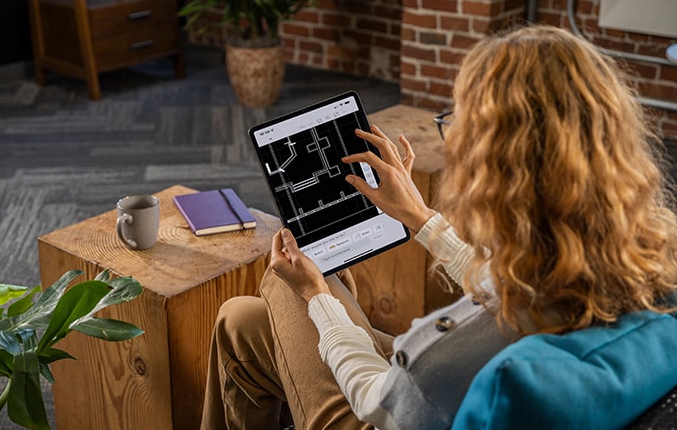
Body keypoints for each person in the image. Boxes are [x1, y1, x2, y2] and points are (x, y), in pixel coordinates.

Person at [200, 25, 677, 430]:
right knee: (240, 323)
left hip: (395, 408)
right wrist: (420, 218)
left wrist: (316, 296)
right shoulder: (644, 262)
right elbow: (524, 292)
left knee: (290, 278)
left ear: (492, 164)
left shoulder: (456, 357)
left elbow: (373, 396)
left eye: (459, 125)